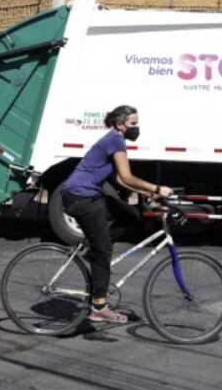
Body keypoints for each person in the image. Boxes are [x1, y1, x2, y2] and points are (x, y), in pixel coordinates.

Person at [59, 104, 173, 324]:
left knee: (130, 216)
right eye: (133, 124)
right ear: (121, 124)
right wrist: (157, 189)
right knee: (103, 252)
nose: (136, 128)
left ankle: (96, 248)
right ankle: (99, 307)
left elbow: (121, 180)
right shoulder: (115, 140)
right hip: (80, 197)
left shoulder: (114, 139)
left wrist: (147, 193)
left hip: (87, 194)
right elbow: (128, 177)